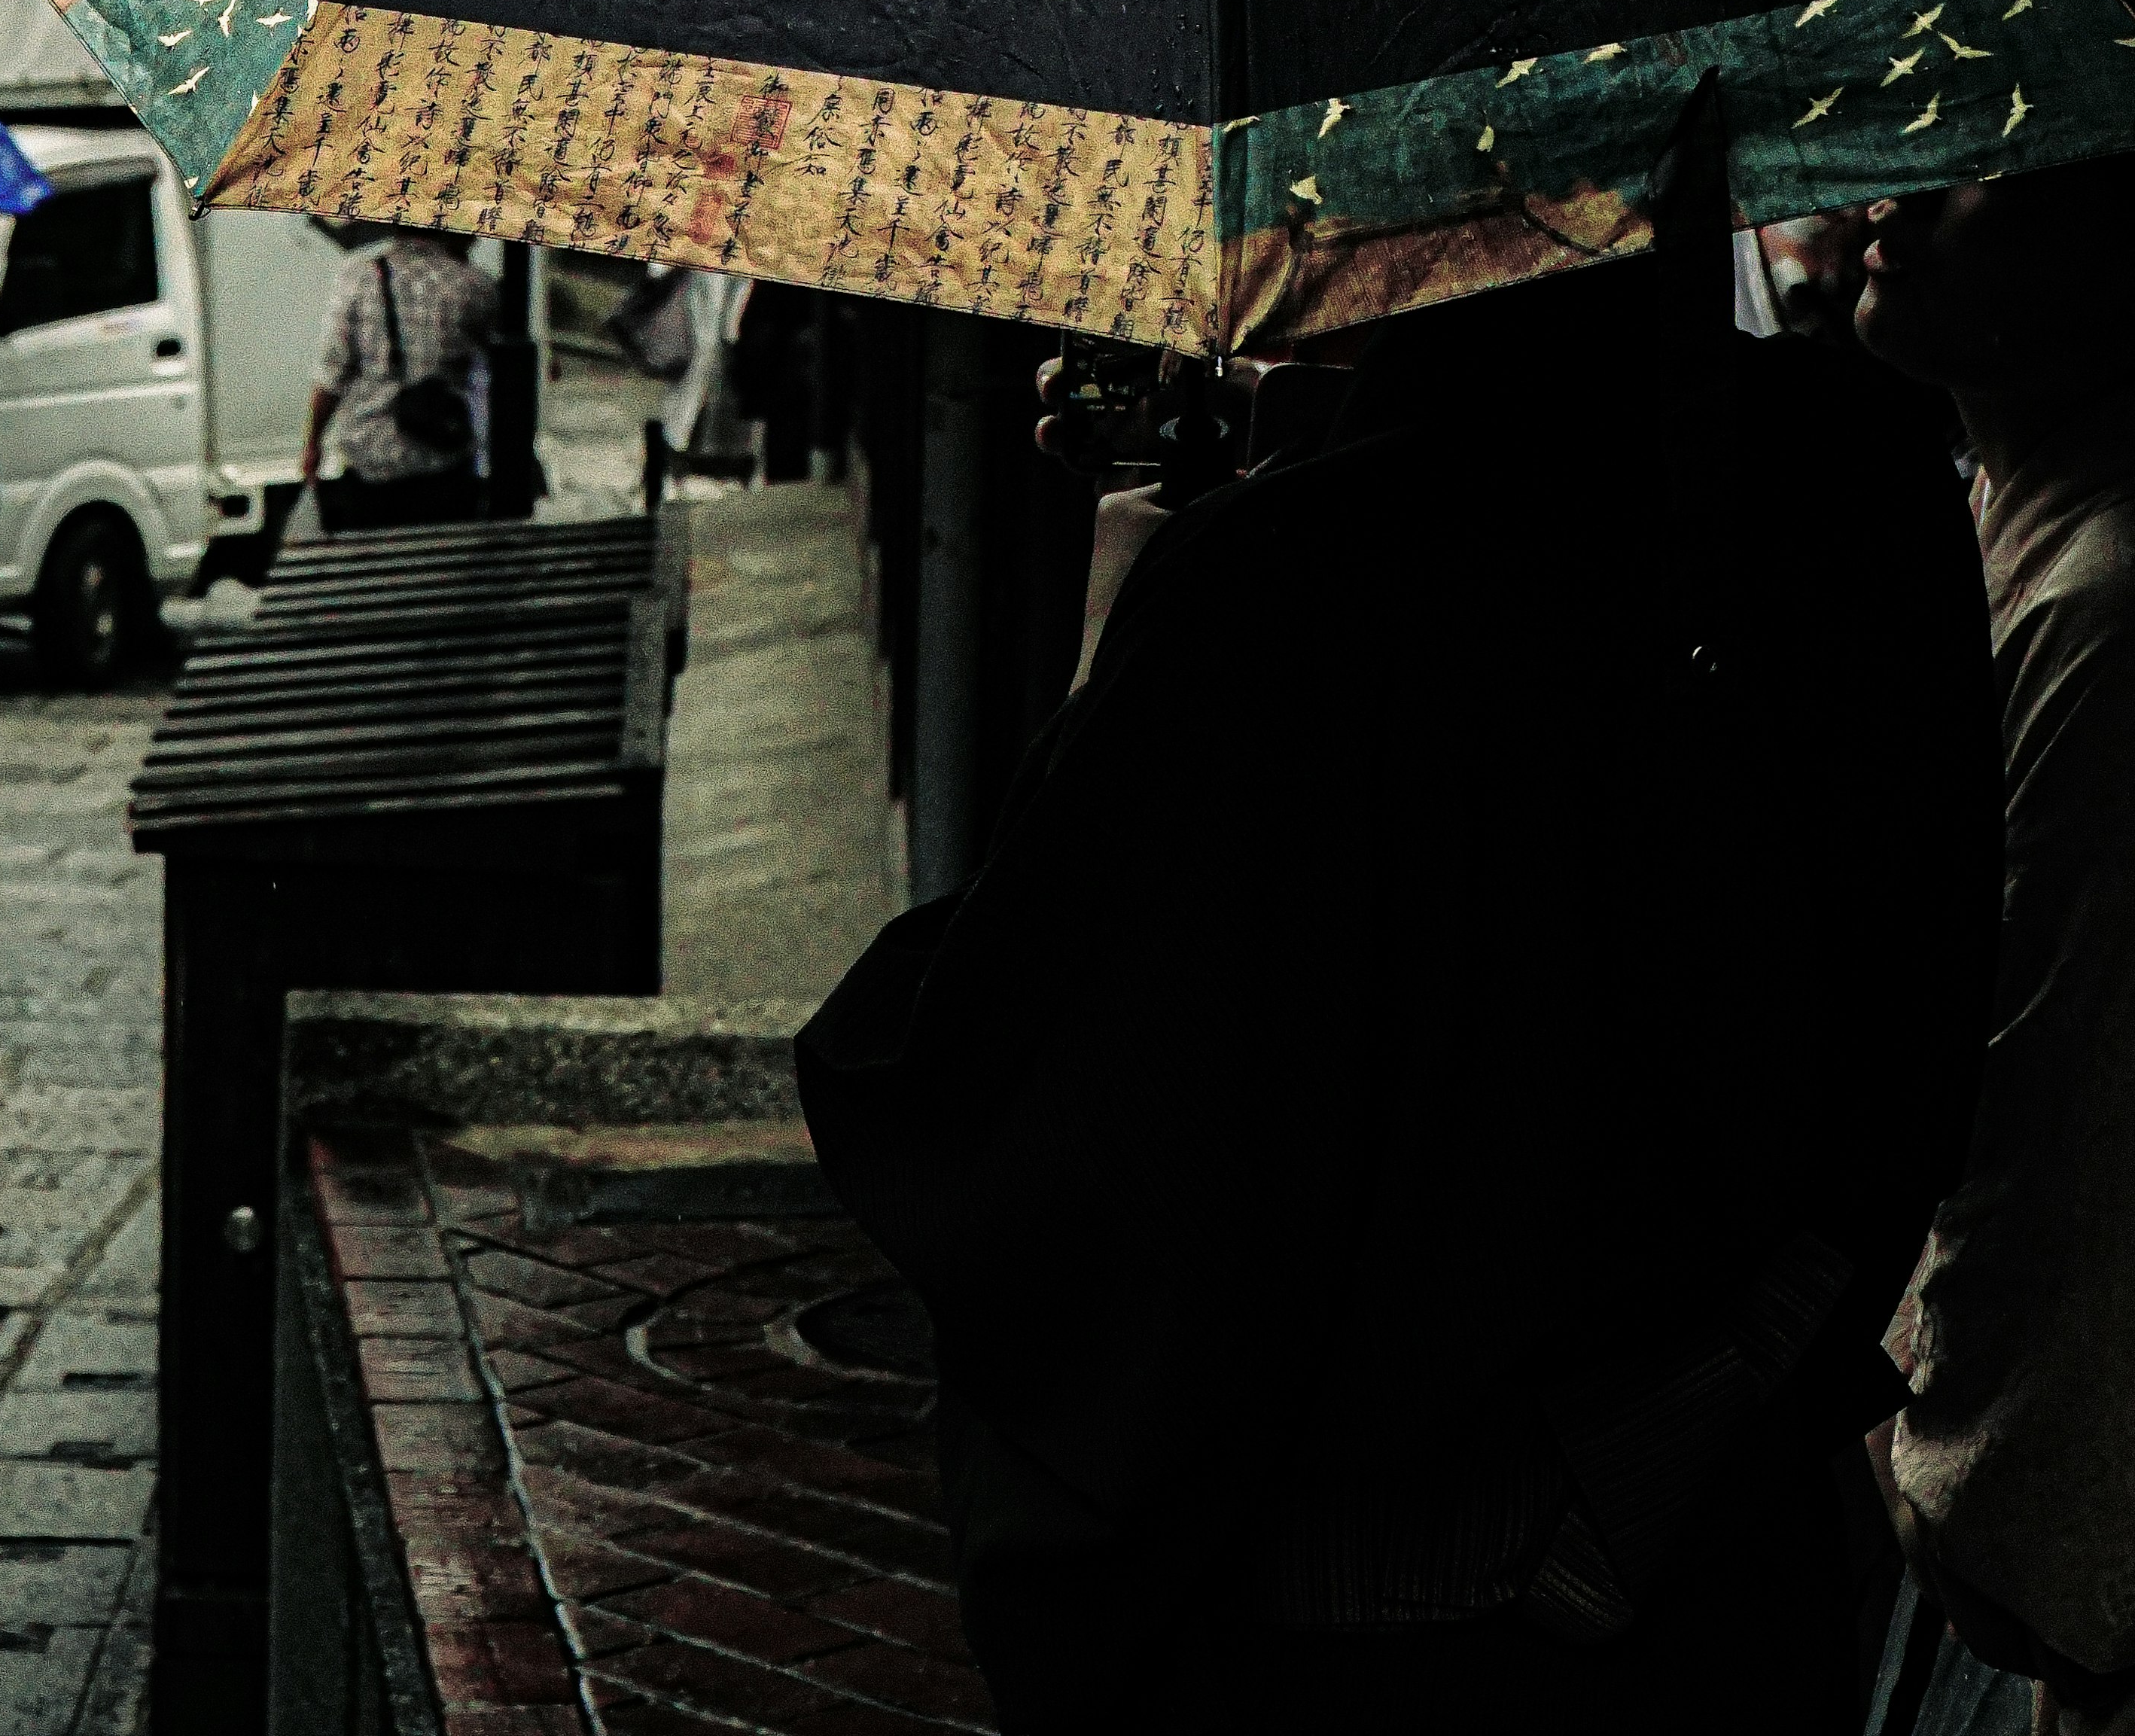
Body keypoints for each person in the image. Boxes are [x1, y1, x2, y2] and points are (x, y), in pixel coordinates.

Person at [797, 148, 2004, 1735]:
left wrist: (1119, 665)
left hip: (1361, 1644)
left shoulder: (1283, 586)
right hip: (1723, 1561)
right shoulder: (1863, 486)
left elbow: (1039, 1115)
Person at [1854, 164, 2135, 1736]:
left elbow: (2067, 1178)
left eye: (2001, 157)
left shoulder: (2106, 616)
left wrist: (1946, 1484)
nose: (1909, 187)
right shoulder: (1993, 510)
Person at [299, 223, 497, 530]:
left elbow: (332, 373)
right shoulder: (473, 284)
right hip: (442, 461)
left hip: (371, 464)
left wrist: (313, 443)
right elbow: (495, 365)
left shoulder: (361, 276)